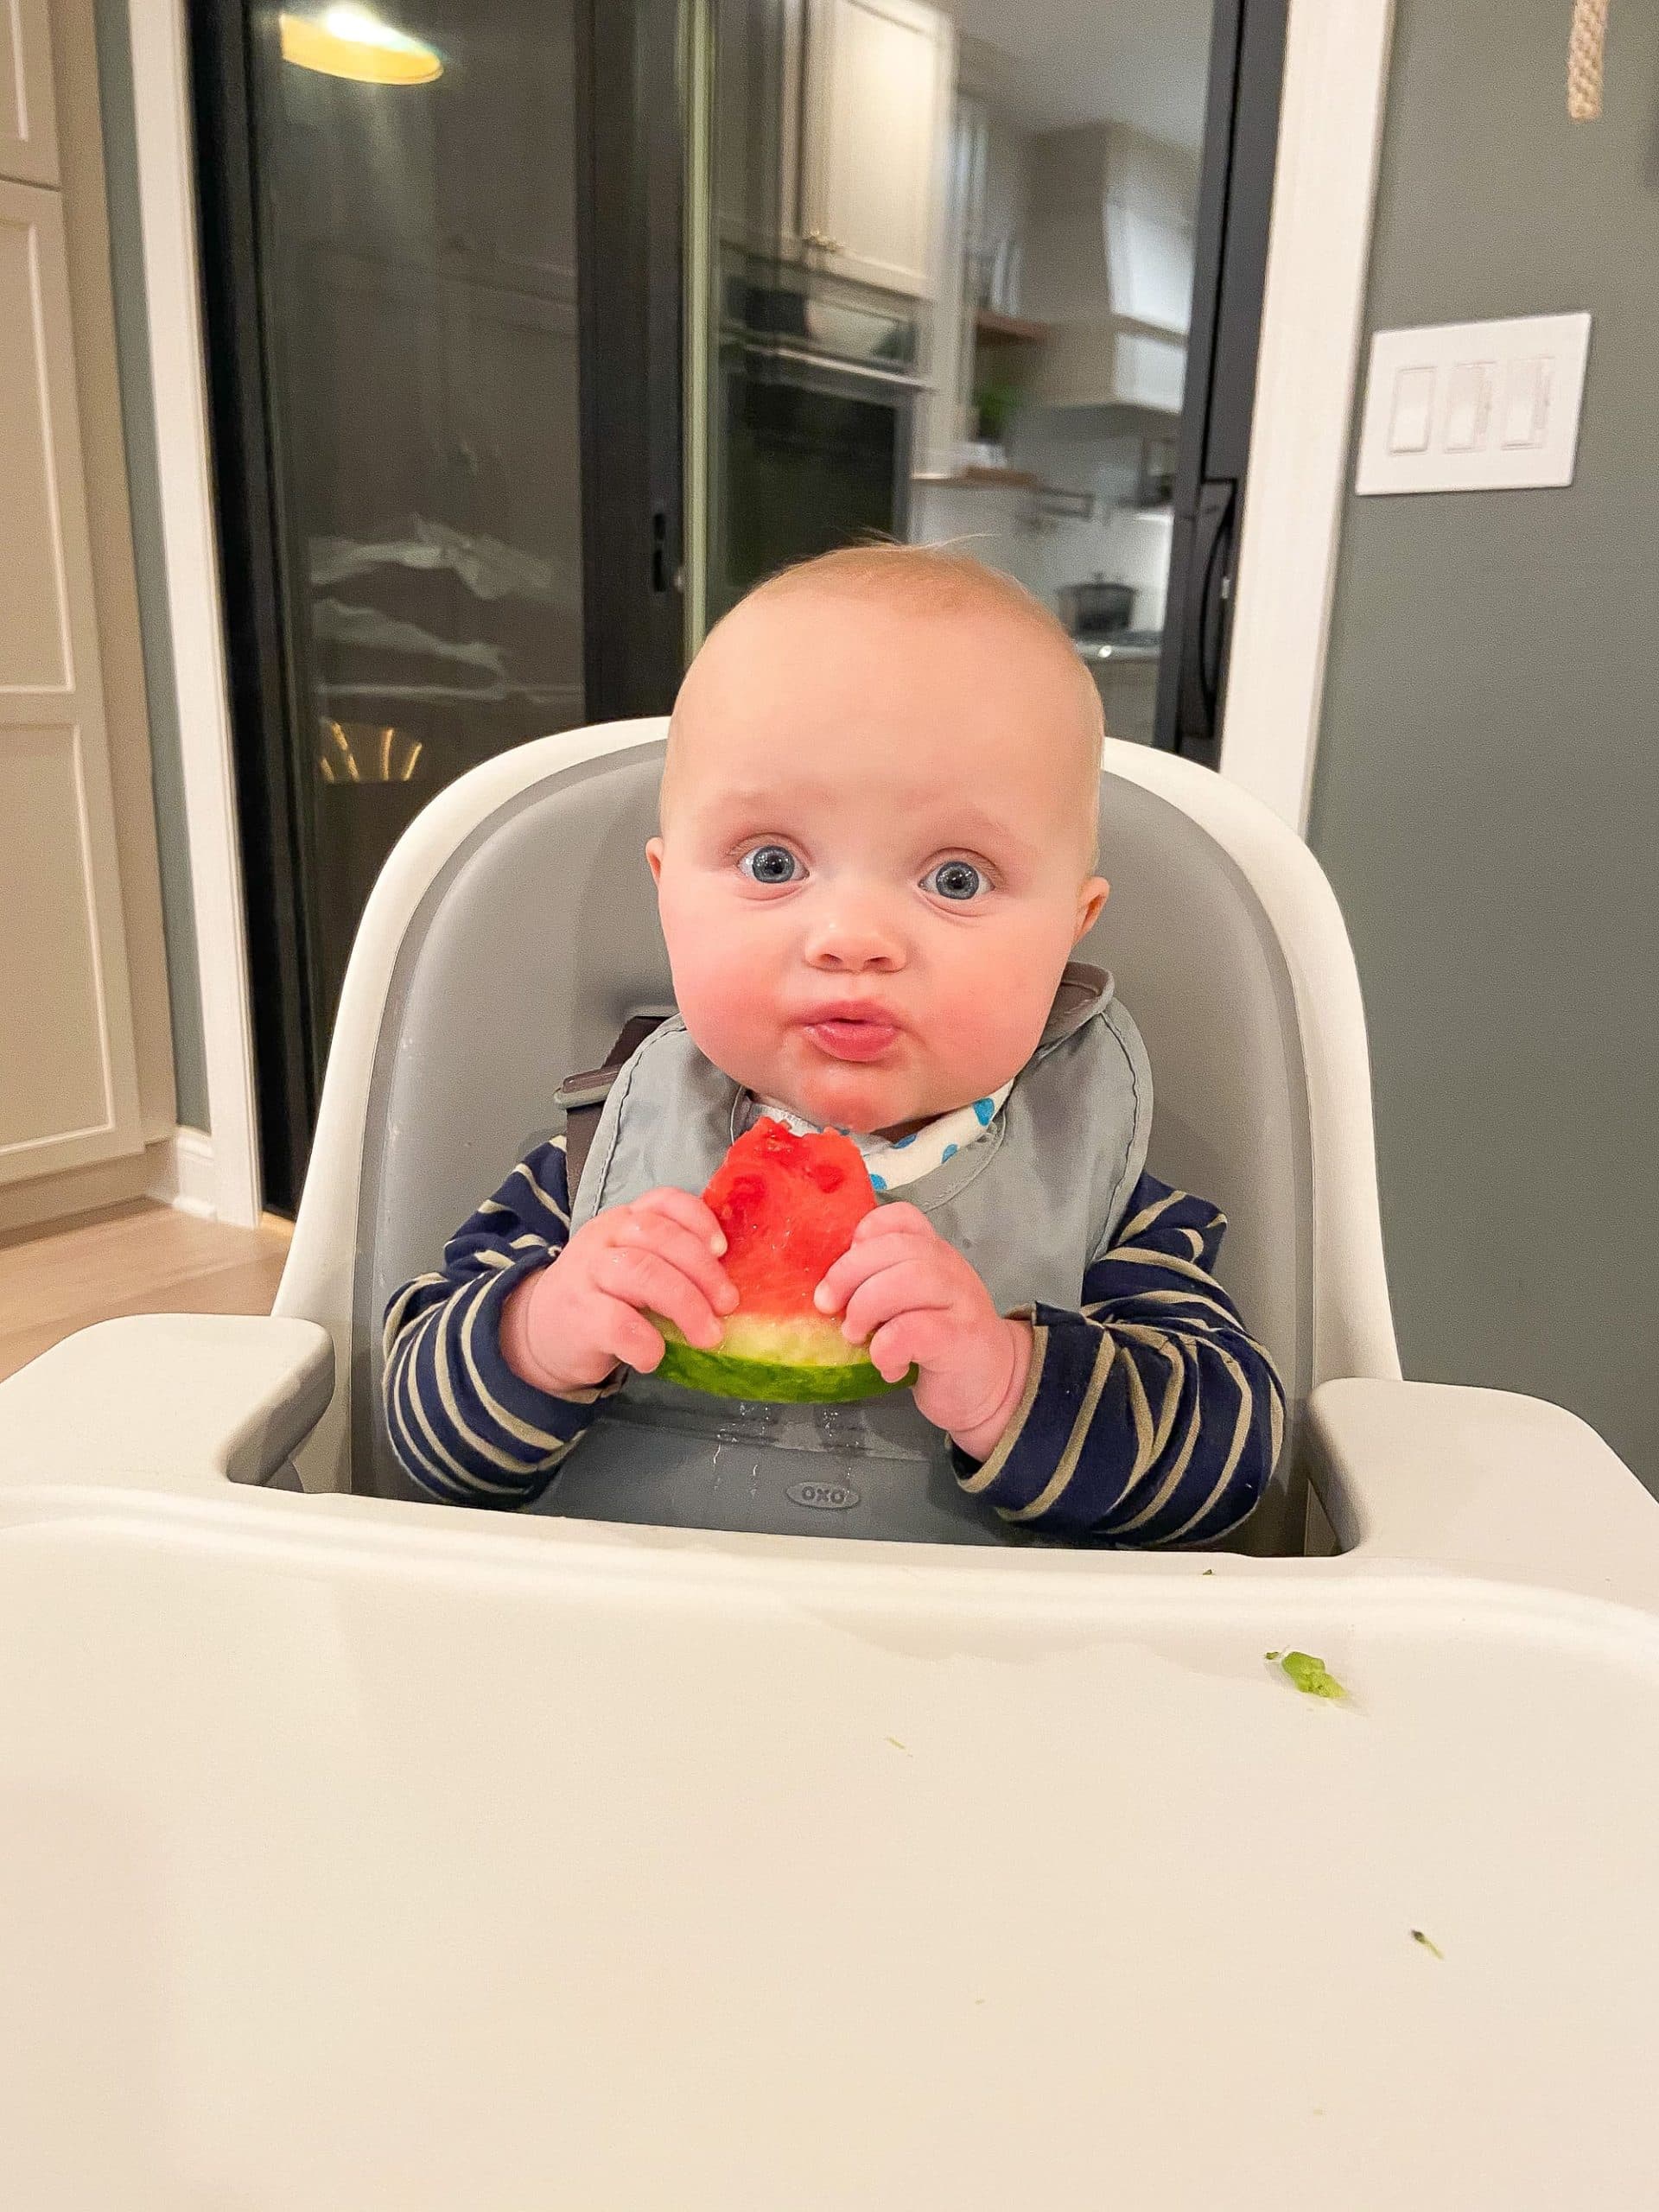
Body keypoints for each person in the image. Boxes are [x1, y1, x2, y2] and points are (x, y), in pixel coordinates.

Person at [383, 545, 1283, 1542]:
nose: (852, 937)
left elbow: (1231, 1460)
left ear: (1073, 929)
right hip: (629, 1662)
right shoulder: (600, 1155)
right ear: (667, 893)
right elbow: (417, 1435)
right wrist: (535, 1334)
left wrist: (1008, 1378)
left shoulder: (1100, 1185)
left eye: (956, 878)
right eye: (773, 862)